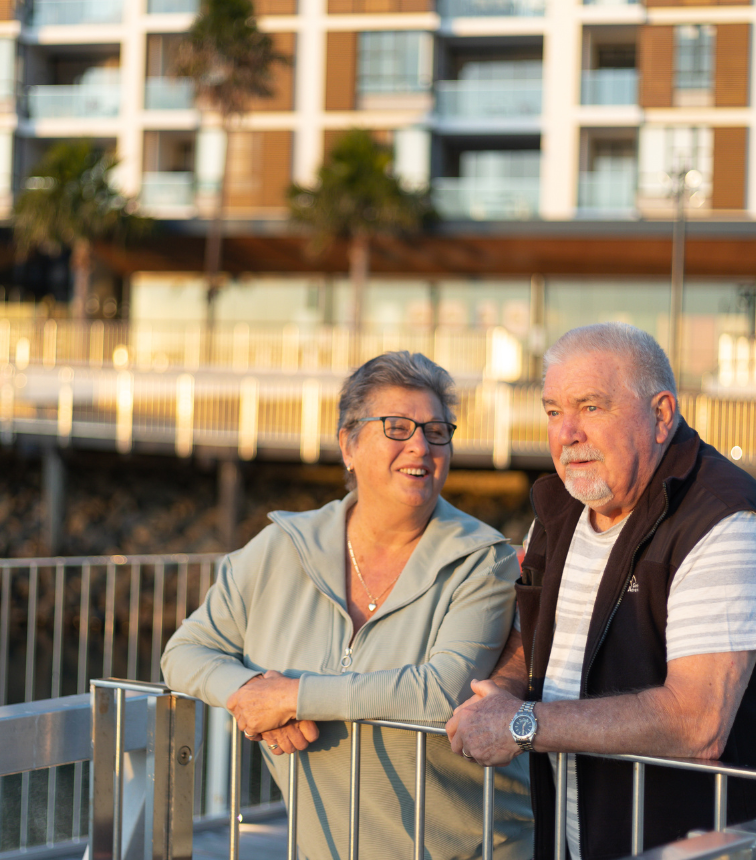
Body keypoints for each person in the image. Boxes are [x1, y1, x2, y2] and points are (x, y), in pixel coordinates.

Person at [162, 350, 533, 860]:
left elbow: (439, 694)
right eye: (398, 427)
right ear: (348, 445)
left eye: (436, 429)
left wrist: (295, 697)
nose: (421, 446)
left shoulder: (481, 560)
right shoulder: (283, 546)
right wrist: (249, 693)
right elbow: (185, 650)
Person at [446, 323, 756, 860]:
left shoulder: (724, 519)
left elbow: (698, 720)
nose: (567, 432)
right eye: (552, 411)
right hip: (572, 837)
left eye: (590, 407)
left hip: (690, 844)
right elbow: (534, 633)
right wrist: (502, 690)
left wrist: (522, 725)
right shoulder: (564, 506)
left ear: (661, 415)